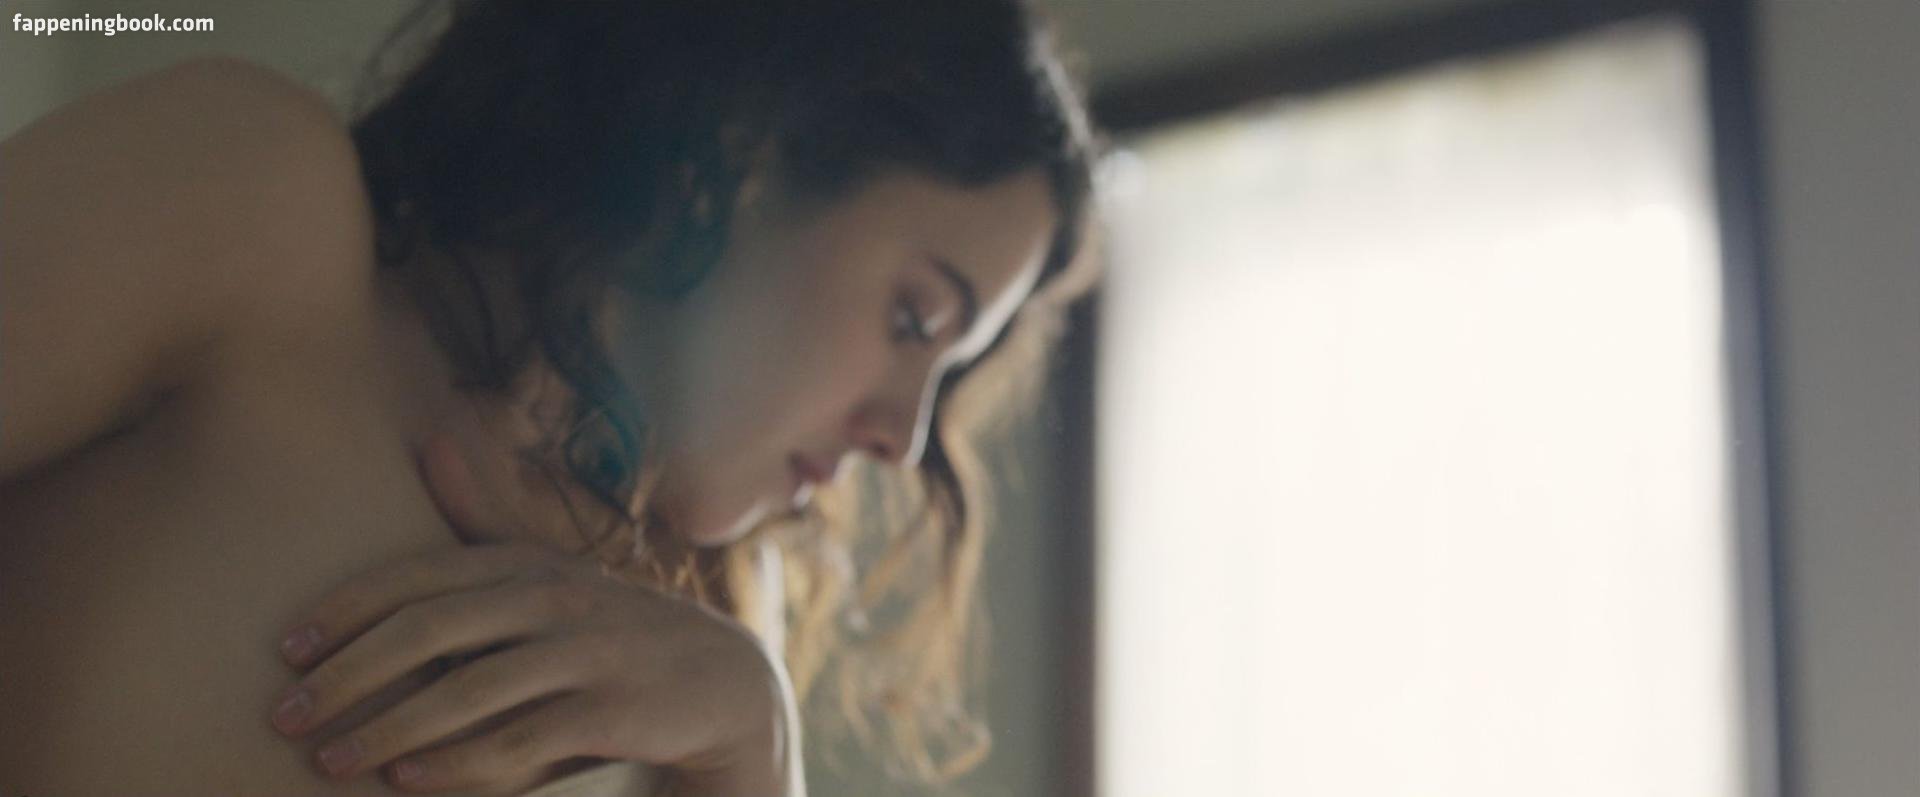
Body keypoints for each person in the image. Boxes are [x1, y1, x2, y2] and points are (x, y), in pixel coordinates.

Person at [0, 0, 1102, 795]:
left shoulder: (703, 627)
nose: (904, 438)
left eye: (951, 374)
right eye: (915, 318)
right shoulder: (252, 206)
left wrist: (754, 748)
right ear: (743, 155)